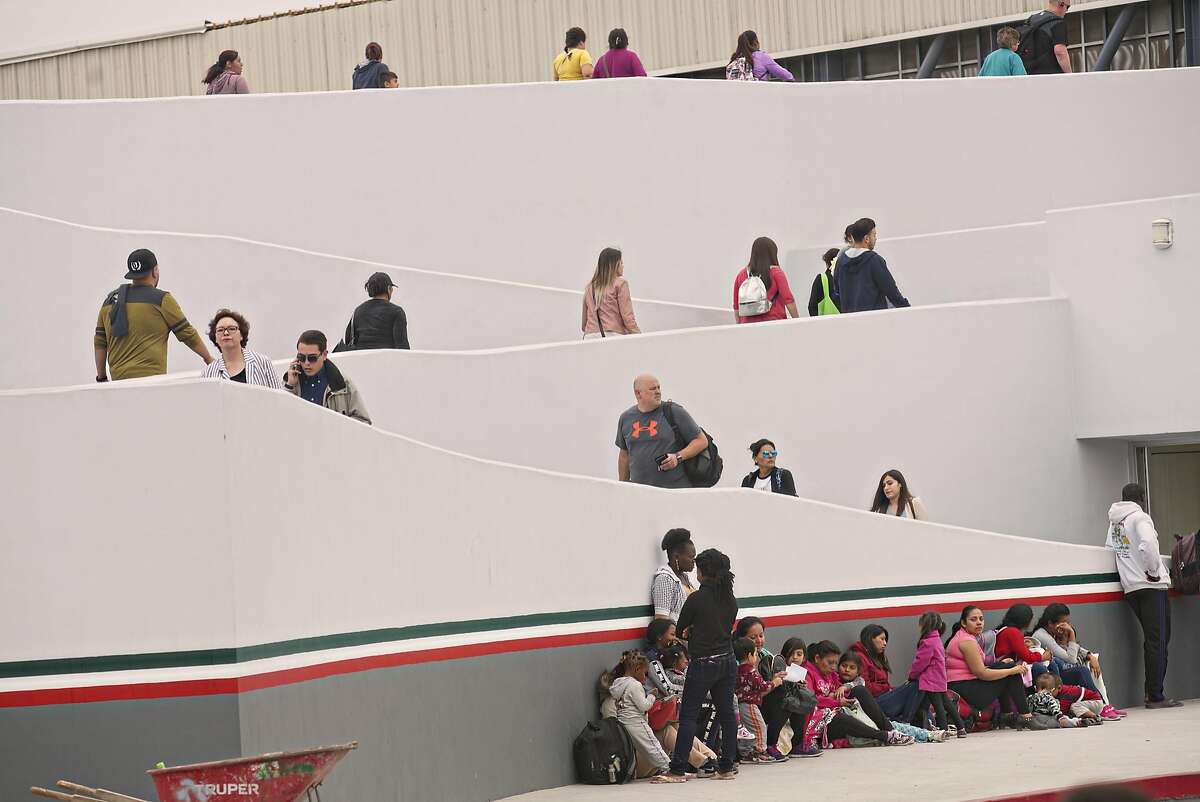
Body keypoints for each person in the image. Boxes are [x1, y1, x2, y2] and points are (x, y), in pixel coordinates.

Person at [663, 548, 739, 782]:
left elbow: (682, 628)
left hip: (703, 662)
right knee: (727, 715)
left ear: (703, 571)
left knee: (688, 716)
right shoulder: (730, 599)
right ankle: (726, 767)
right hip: (727, 660)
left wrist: (693, 632)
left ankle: (677, 770)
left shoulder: (696, 598)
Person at [1107, 483, 1181, 708]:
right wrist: (1152, 573)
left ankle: (1153, 692)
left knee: (1152, 641)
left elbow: (1115, 550)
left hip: (1130, 587)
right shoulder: (1140, 518)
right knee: (1158, 641)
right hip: (1150, 586)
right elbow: (1148, 544)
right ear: (1141, 498)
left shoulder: (1115, 522)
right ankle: (1155, 695)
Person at [95, 249, 213, 382]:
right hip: (152, 382)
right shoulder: (162, 299)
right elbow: (187, 334)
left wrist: (102, 377)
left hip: (119, 384)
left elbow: (100, 341)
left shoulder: (109, 301)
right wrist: (209, 359)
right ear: (155, 271)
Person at [804, 641, 915, 746]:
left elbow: (857, 683)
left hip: (835, 710)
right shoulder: (808, 674)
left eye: (835, 663)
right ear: (817, 658)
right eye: (830, 663)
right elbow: (810, 699)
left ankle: (891, 730)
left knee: (859, 690)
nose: (833, 667)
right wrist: (836, 701)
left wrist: (845, 689)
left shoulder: (831, 674)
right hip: (820, 723)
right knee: (841, 719)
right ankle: (885, 736)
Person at [946, 605, 1037, 729]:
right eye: (973, 619)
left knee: (1006, 666)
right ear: (963, 623)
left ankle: (1008, 716)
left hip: (964, 686)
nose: (979, 623)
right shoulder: (967, 642)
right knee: (1010, 672)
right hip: (966, 692)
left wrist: (1004, 665)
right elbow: (982, 673)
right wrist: (1011, 670)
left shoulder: (965, 637)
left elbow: (981, 667)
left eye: (981, 619)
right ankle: (1025, 716)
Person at [615, 375, 708, 489]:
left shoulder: (674, 412)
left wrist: (677, 457)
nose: (658, 392)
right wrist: (622, 487)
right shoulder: (626, 418)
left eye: (658, 387)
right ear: (638, 393)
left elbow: (701, 441)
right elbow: (624, 455)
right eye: (652, 389)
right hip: (639, 493)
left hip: (674, 491)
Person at [283, 330, 371, 424]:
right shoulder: (290, 381)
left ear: (324, 355)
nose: (306, 363)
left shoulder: (343, 384)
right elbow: (279, 417)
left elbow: (363, 421)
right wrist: (289, 386)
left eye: (312, 358)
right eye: (301, 358)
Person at [608, 652, 672, 780]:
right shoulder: (634, 685)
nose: (645, 677)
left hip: (624, 722)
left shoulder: (618, 683)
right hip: (636, 722)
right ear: (637, 669)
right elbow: (644, 706)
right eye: (644, 673)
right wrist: (652, 695)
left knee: (645, 749)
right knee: (653, 746)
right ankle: (670, 769)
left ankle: (663, 769)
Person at [1030, 603, 1110, 701]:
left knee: (1083, 670)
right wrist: (1072, 633)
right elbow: (1071, 659)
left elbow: (1075, 648)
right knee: (1081, 671)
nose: (1067, 627)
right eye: (1064, 623)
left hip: (1058, 673)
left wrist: (1090, 655)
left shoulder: (1054, 632)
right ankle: (1099, 702)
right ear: (1050, 623)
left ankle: (1100, 703)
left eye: (1068, 623)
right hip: (1049, 680)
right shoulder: (1042, 635)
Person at [832, 218, 910, 314]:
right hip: (874, 320)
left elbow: (836, 292)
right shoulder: (874, 260)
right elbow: (892, 292)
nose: (875, 238)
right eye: (874, 235)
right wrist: (908, 309)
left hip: (849, 321)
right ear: (866, 239)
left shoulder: (841, 261)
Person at [908, 611, 965, 736]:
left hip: (930, 679)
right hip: (940, 678)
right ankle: (961, 728)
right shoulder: (937, 639)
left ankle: (943, 730)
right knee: (947, 704)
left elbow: (920, 662)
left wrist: (912, 675)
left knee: (938, 705)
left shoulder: (927, 642)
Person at [200, 309, 284, 388]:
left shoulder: (262, 362)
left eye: (232, 329)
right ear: (215, 338)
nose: (225, 333)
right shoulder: (208, 373)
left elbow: (279, 397)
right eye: (220, 330)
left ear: (241, 335)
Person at [734, 636, 783, 763]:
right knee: (759, 728)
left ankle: (746, 753)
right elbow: (762, 686)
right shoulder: (751, 671)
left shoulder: (737, 670)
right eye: (755, 654)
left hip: (739, 705)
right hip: (749, 705)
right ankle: (760, 751)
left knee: (746, 730)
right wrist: (775, 682)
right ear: (750, 655)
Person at [733, 236, 799, 324]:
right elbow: (788, 299)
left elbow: (737, 307)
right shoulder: (776, 273)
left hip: (748, 325)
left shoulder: (741, 275)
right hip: (774, 323)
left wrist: (739, 325)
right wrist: (798, 321)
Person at [342, 272, 410, 351]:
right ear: (389, 289)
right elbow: (402, 347)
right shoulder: (397, 312)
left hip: (361, 361)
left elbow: (349, 340)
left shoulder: (358, 311)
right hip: (387, 361)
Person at [582, 247, 640, 339]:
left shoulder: (589, 287)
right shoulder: (621, 284)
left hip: (589, 337)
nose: (623, 266)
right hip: (612, 336)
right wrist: (640, 335)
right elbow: (628, 318)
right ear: (615, 265)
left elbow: (584, 324)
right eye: (621, 262)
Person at [652, 528, 696, 621]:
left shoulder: (684, 577)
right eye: (691, 557)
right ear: (676, 556)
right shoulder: (664, 579)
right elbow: (661, 619)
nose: (694, 561)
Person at [1020, 0, 1073, 75]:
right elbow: (1060, 52)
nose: (1066, 10)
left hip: (1029, 75)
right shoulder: (1058, 22)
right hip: (1050, 76)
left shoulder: (1030, 20)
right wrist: (1070, 75)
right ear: (1061, 4)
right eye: (1067, 7)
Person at [726, 31, 793, 81]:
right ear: (755, 43)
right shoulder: (761, 56)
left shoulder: (734, 61)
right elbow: (785, 75)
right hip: (760, 96)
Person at [808, 249, 841, 317]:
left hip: (826, 323)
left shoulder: (821, 278)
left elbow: (812, 306)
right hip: (847, 320)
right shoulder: (846, 278)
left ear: (827, 263)